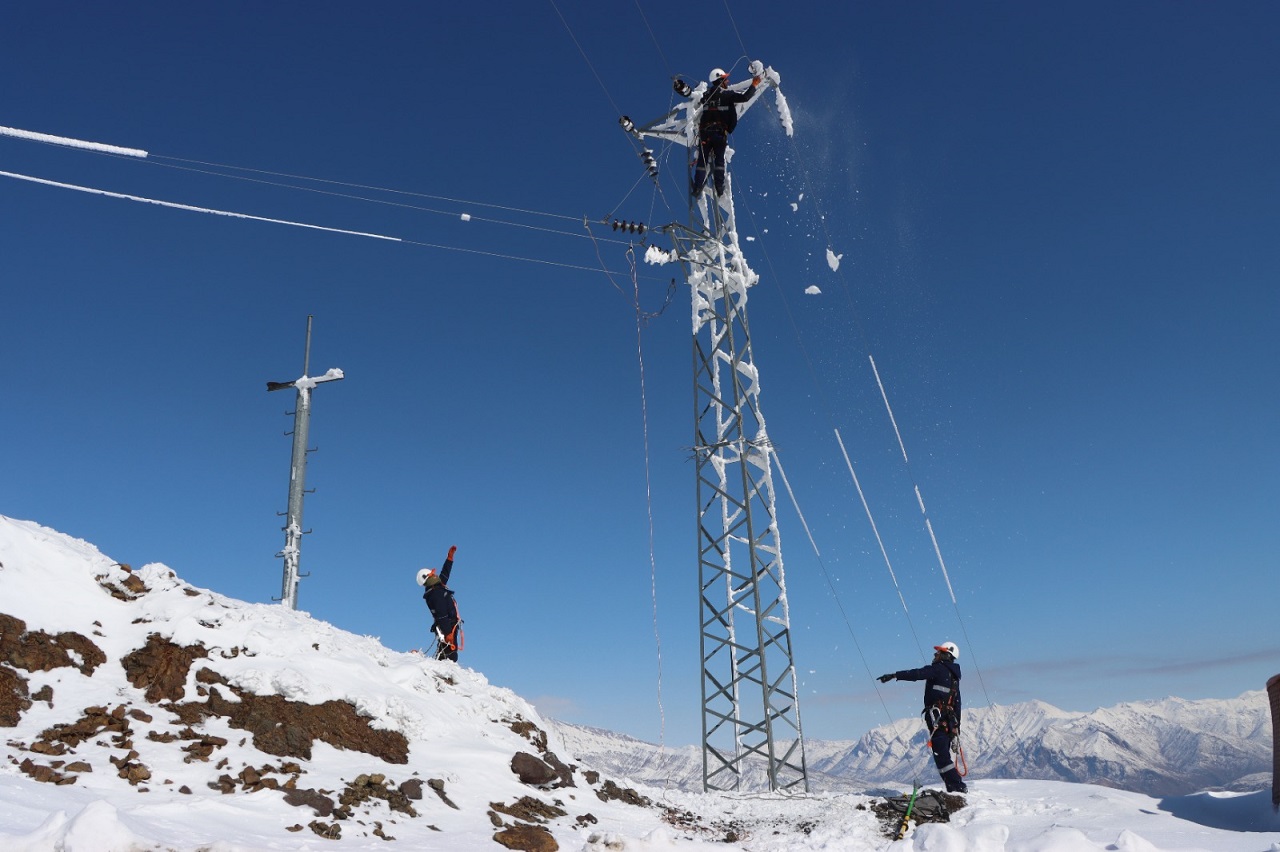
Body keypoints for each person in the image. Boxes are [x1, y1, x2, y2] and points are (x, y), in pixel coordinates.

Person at [878, 642, 967, 793]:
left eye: (938, 652)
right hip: (949, 721)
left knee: (942, 756)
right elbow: (957, 702)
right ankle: (953, 788)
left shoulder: (939, 669)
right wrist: (956, 727)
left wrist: (895, 675)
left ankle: (958, 787)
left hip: (939, 719)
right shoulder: (954, 676)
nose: (935, 655)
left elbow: (917, 674)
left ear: (946, 654)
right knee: (941, 755)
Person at [689, 66, 761, 196]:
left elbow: (700, 101)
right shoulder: (727, 95)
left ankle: (697, 187)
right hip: (719, 134)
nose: (727, 82)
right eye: (725, 79)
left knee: (702, 162)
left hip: (705, 134)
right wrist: (754, 85)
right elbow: (745, 98)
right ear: (720, 81)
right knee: (719, 161)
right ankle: (719, 187)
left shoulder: (706, 96)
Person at [416, 545, 462, 661]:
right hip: (448, 626)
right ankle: (445, 677)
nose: (435, 575)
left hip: (448, 626)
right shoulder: (435, 594)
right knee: (450, 654)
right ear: (428, 579)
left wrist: (449, 559)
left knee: (446, 653)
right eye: (432, 574)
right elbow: (442, 615)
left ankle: (442, 673)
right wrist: (448, 634)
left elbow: (445, 574)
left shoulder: (437, 589)